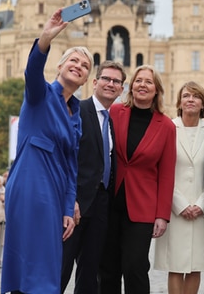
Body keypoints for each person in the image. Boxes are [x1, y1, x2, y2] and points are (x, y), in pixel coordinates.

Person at [1, 7, 93, 294]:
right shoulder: (40, 95)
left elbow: (71, 167)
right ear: (60, 67)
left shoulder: (76, 114)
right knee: (33, 261)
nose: (78, 66)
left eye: (85, 65)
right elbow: (31, 70)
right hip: (31, 182)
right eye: (73, 61)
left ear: (86, 78)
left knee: (48, 260)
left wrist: (69, 207)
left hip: (54, 191)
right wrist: (45, 38)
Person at [100, 64, 176, 293]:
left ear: (157, 91)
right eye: (138, 80)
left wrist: (162, 215)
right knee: (107, 269)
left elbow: (167, 173)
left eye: (148, 82)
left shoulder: (167, 126)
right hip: (109, 204)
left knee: (135, 267)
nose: (142, 85)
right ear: (131, 86)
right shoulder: (115, 112)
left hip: (142, 209)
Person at [60, 61, 125, 294]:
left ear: (121, 89)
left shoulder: (111, 121)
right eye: (106, 79)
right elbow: (66, 158)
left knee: (90, 273)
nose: (111, 84)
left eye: (116, 81)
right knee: (61, 268)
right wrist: (70, 200)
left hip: (100, 206)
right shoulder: (78, 110)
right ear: (95, 82)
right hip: (75, 205)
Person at [154, 81, 204, 294]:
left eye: (196, 96)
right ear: (179, 101)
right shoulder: (168, 127)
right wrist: (179, 204)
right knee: (176, 266)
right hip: (174, 208)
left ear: (203, 103)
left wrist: (202, 204)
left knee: (196, 265)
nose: (190, 100)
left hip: (201, 208)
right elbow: (161, 169)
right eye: (186, 95)